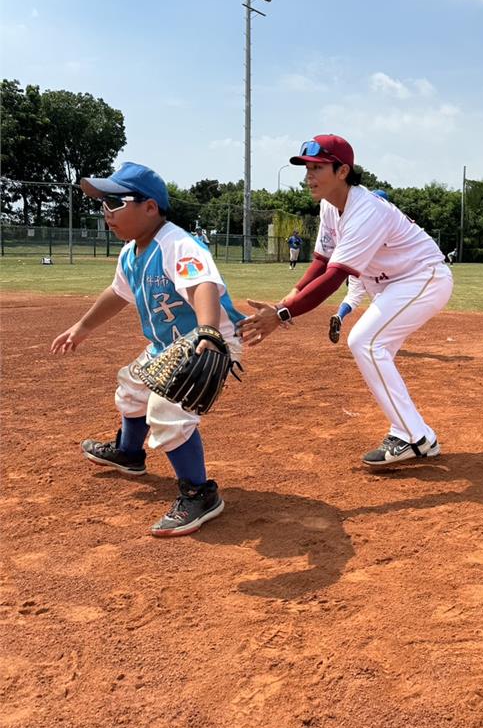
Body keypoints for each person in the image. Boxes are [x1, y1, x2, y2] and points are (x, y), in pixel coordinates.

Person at [51, 161, 245, 537]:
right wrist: (83, 326)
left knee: (166, 407)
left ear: (150, 207)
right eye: (102, 205)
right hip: (167, 344)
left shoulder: (178, 244)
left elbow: (202, 284)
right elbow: (117, 294)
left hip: (210, 341)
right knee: (131, 387)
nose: (106, 213)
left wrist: (207, 331)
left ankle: (199, 492)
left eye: (115, 202)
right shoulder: (130, 253)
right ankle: (129, 453)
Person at [238, 134, 453, 466]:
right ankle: (408, 431)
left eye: (318, 167)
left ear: (342, 171)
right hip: (392, 284)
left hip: (422, 278)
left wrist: (282, 314)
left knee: (365, 342)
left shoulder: (365, 210)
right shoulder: (329, 206)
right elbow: (321, 262)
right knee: (375, 348)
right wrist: (291, 297)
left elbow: (335, 277)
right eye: (306, 167)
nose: (309, 175)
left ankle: (418, 438)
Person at [328, 190, 390, 345]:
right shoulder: (385, 220)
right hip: (373, 269)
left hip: (355, 266)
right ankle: (374, 335)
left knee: (353, 297)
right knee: (381, 301)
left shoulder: (357, 219)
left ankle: (339, 316)